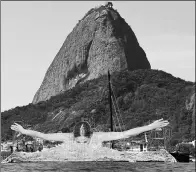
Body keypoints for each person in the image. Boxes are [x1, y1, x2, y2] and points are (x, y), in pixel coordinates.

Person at [11, 118, 169, 149]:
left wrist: (149, 126)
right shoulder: (68, 137)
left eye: (84, 128)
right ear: (75, 130)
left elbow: (125, 134)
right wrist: (24, 131)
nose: (81, 130)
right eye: (79, 128)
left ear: (88, 130)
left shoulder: (97, 136)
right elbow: (43, 135)